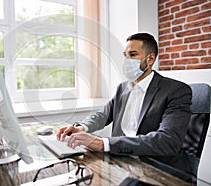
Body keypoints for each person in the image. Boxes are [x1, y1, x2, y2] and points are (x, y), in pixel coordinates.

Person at [56, 32, 192, 173]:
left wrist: (102, 143)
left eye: (133, 55)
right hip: (124, 161)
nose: (127, 60)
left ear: (150, 59)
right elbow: (103, 115)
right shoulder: (123, 88)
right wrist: (81, 128)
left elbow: (168, 140)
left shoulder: (176, 90)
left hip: (157, 168)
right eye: (125, 56)